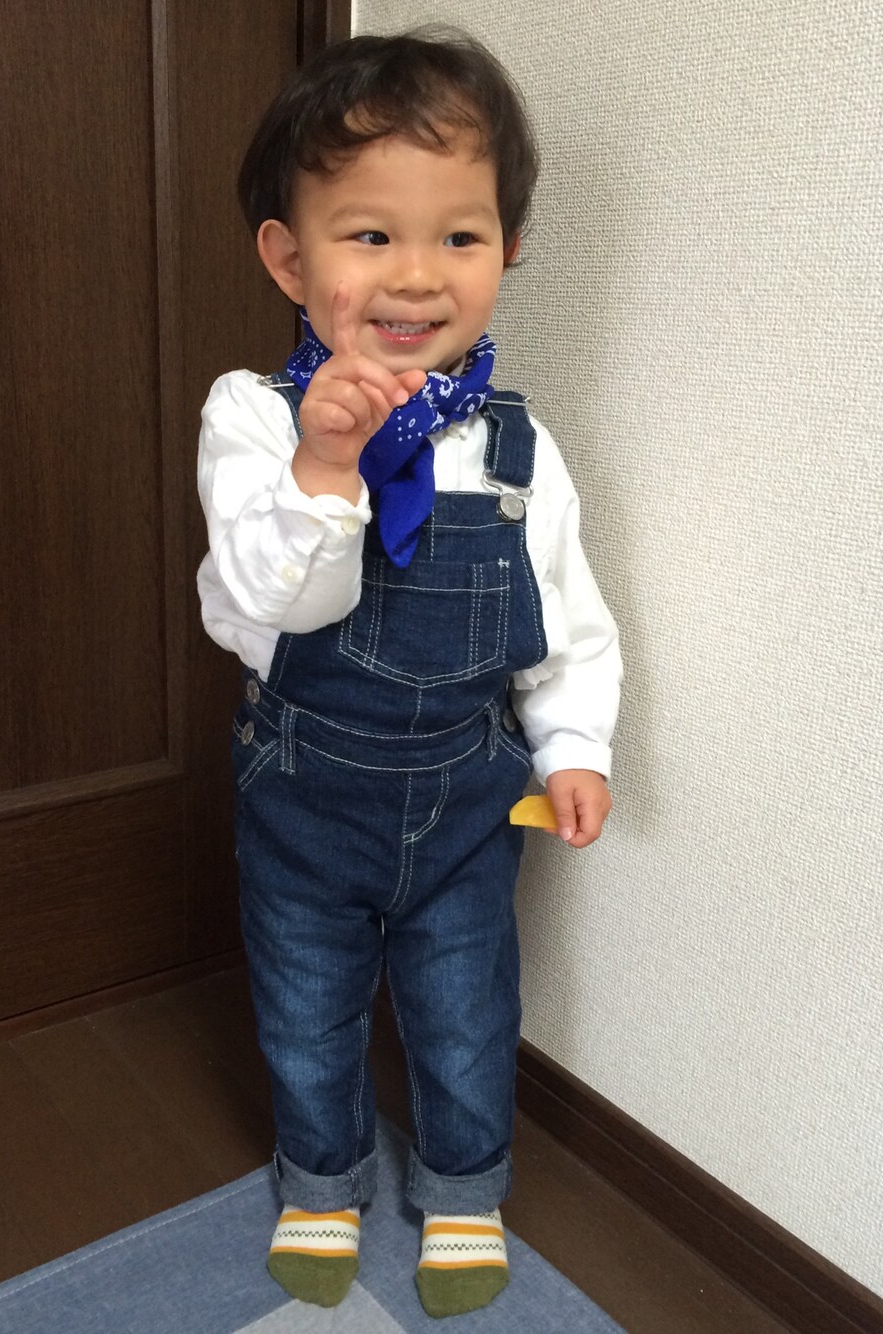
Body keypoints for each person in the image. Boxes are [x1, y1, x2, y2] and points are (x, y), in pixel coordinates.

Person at [196, 27, 621, 1319]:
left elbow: (566, 619)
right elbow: (264, 606)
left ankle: (466, 1192)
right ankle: (322, 1179)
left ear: (508, 248)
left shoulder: (518, 447)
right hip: (305, 793)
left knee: (466, 1003)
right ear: (291, 258)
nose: (418, 274)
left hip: (466, 799)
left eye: (460, 235)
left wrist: (577, 743)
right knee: (308, 1002)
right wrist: (325, 468)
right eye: (371, 234)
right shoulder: (253, 417)